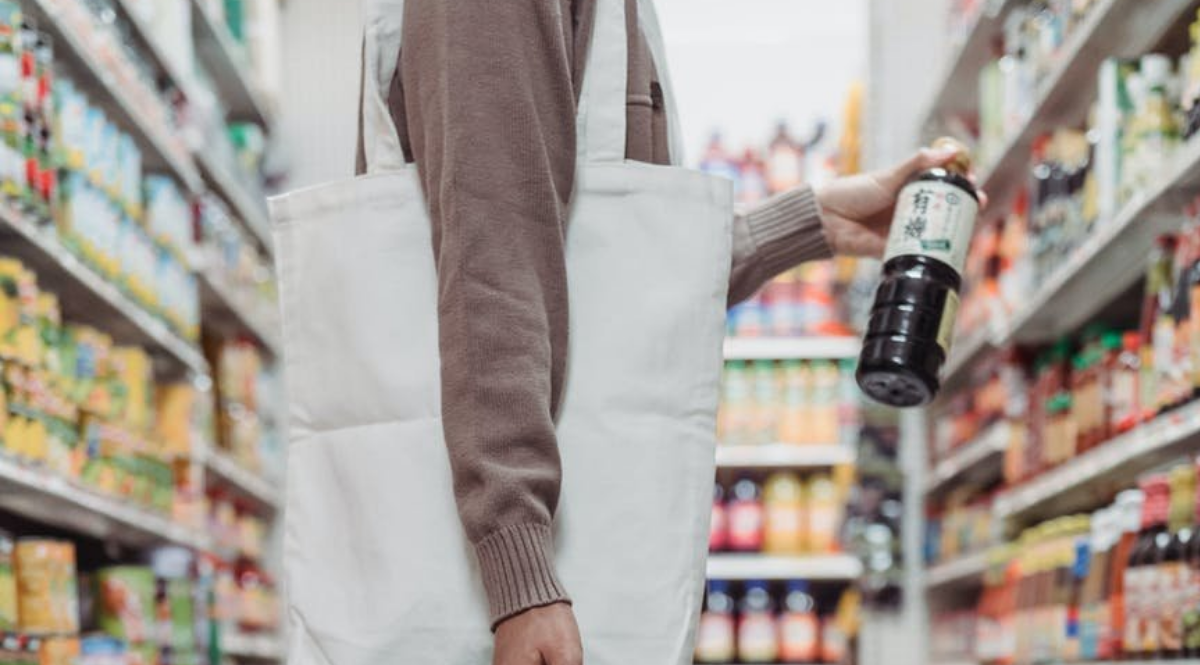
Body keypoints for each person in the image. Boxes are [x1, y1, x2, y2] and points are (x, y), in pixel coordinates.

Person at [358, 2, 984, 663]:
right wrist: (519, 571)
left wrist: (812, 222)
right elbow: (491, 260)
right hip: (517, 587)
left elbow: (604, 279)